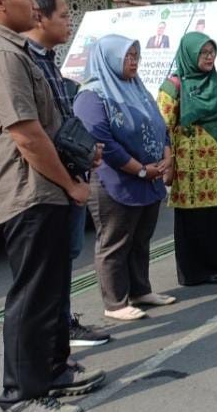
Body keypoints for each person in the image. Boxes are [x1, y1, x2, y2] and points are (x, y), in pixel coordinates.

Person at [0, 0, 104, 412]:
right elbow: (26, 135)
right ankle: (22, 396)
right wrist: (70, 183)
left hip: (41, 187)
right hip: (27, 189)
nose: (35, 4)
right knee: (33, 293)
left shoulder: (12, 48)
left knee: (51, 289)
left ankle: (53, 373)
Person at [26, 0, 111, 348]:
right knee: (44, 271)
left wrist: (86, 153)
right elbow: (32, 134)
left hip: (70, 178)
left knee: (65, 260)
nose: (70, 22)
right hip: (49, 186)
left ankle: (63, 327)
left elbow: (61, 125)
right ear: (39, 17)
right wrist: (70, 181)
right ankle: (50, 344)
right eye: (63, 15)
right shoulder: (23, 62)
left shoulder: (49, 63)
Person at [74, 35, 174, 321]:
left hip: (149, 177)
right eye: (127, 56)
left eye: (135, 56)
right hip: (115, 181)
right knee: (114, 241)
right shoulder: (92, 95)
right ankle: (115, 303)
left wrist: (166, 156)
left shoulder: (137, 88)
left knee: (141, 238)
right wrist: (140, 169)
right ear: (109, 59)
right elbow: (101, 141)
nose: (133, 61)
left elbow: (160, 125)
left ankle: (140, 290)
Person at [158, 32, 217, 285]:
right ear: (190, 54)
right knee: (196, 221)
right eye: (203, 53)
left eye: (212, 52)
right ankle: (195, 271)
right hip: (191, 171)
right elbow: (163, 128)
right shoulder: (173, 87)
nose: (209, 57)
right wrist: (167, 163)